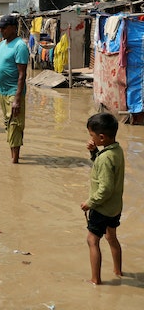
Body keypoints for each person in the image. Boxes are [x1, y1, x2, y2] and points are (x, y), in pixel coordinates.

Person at [81, 112, 125, 285]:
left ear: (101, 137)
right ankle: (118, 271)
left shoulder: (105, 158)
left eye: (92, 135)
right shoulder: (116, 150)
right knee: (111, 237)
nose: (90, 138)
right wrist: (94, 153)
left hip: (102, 208)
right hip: (115, 207)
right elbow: (105, 171)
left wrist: (89, 203)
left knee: (92, 240)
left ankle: (95, 280)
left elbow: (105, 189)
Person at [0, 15, 29, 163]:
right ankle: (14, 155)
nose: (1, 30)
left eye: (4, 28)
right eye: (0, 28)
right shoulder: (2, 44)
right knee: (8, 123)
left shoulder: (20, 46)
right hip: (2, 91)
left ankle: (15, 162)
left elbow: (22, 74)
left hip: (14, 92)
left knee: (15, 124)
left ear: (13, 27)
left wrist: (18, 98)